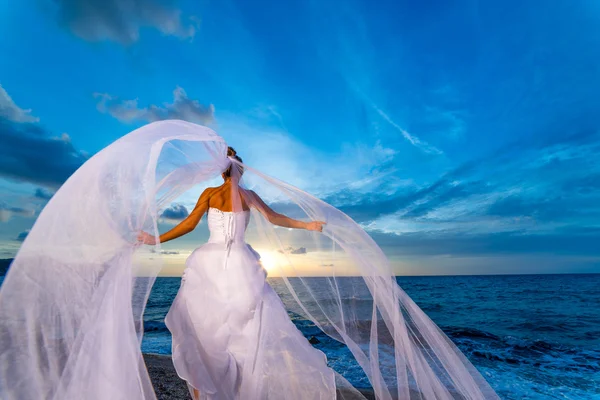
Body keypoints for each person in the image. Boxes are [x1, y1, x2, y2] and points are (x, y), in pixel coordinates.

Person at [0, 120, 498, 400]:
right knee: (204, 327)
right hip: (218, 263)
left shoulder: (244, 196)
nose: (234, 171)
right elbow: (188, 226)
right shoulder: (217, 196)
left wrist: (310, 225)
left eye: (233, 166)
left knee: (241, 329)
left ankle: (224, 389)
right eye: (232, 166)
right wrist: (153, 238)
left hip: (229, 262)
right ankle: (203, 390)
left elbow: (277, 219)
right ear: (229, 166)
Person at [137, 147, 332, 399]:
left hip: (208, 264)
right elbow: (275, 218)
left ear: (222, 173)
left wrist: (156, 239)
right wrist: (307, 225)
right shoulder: (249, 195)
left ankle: (203, 390)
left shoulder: (210, 193)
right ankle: (240, 388)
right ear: (241, 171)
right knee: (242, 332)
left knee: (201, 328)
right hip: (242, 265)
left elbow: (189, 224)